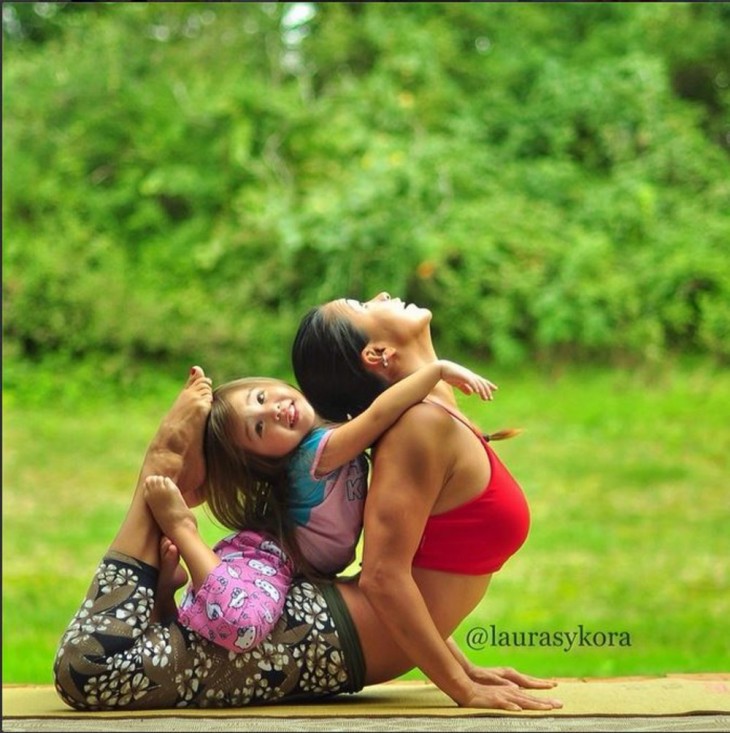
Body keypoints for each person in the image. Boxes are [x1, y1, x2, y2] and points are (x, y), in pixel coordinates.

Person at [53, 296, 563, 711]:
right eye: (365, 303)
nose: (382, 296)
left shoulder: (425, 415)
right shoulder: (419, 425)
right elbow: (384, 579)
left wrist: (461, 665)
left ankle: (165, 591)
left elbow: (408, 571)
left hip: (320, 630)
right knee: (91, 670)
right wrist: (461, 687)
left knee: (127, 661)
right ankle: (159, 469)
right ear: (376, 354)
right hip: (320, 637)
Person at [145, 360, 500, 654]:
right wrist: (435, 372)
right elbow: (379, 415)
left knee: (197, 636)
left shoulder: (328, 440)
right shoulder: (313, 457)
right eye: (258, 427)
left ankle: (166, 600)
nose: (274, 409)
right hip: (267, 557)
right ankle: (183, 531)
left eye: (262, 396)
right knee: (243, 625)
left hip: (297, 569)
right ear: (261, 461)